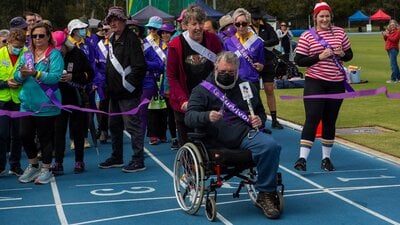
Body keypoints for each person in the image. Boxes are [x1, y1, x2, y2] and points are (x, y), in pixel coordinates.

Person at [185, 51, 281, 219]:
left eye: (231, 72)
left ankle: (266, 193)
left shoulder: (247, 87)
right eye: (223, 72)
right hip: (213, 139)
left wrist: (260, 120)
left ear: (237, 71)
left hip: (245, 135)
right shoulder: (201, 90)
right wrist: (206, 116)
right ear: (215, 68)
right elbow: (189, 117)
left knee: (271, 146)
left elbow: (260, 112)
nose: (227, 75)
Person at [293, 2, 353, 172]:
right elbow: (299, 60)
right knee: (312, 117)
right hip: (315, 82)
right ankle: (302, 158)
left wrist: (342, 54)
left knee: (330, 120)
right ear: (315, 18)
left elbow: (349, 55)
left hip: (336, 83)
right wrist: (319, 56)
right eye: (321, 16)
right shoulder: (307, 36)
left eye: (327, 16)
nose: (325, 19)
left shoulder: (340, 33)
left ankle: (326, 159)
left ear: (330, 17)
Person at [98, 6, 147, 172]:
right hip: (114, 93)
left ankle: (138, 159)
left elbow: (139, 67)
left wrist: (128, 87)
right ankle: (117, 156)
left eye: (116, 19)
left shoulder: (131, 39)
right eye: (110, 20)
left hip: (127, 93)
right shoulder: (112, 39)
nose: (113, 22)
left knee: (133, 126)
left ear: (123, 20)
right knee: (114, 126)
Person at [14, 22, 64, 184]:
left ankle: (47, 169)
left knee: (45, 138)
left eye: (41, 35)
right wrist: (21, 75)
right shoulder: (26, 54)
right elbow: (16, 76)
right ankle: (33, 165)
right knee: (24, 135)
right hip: (27, 103)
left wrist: (36, 72)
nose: (37, 39)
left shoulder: (54, 55)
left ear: (48, 37)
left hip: (46, 103)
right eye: (34, 36)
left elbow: (55, 77)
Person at [166, 4, 223, 147]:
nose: (198, 27)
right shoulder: (175, 45)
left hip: (209, 98)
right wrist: (183, 100)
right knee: (187, 142)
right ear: (185, 25)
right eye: (194, 24)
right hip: (185, 99)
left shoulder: (213, 40)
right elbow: (172, 76)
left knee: (213, 140)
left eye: (201, 23)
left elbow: (221, 65)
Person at [51, 30, 94, 175]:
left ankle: (79, 161)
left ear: (66, 44)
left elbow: (90, 74)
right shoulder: (51, 55)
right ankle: (58, 162)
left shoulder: (78, 54)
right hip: (57, 98)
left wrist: (73, 76)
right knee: (58, 130)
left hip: (76, 97)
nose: (59, 52)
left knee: (77, 130)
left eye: (60, 48)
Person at [249, 7, 282, 129]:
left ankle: (274, 119)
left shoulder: (267, 27)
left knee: (269, 89)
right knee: (254, 91)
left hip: (267, 61)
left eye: (258, 18)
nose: (257, 21)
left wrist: (262, 43)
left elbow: (274, 39)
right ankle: (257, 119)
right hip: (253, 62)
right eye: (254, 18)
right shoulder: (247, 28)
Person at [0, 29, 27, 177]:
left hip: (19, 99)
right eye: (15, 46)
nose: (17, 49)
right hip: (2, 100)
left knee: (18, 134)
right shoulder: (0, 54)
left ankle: (15, 165)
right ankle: (0, 165)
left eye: (20, 47)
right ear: (9, 42)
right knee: (1, 134)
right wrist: (5, 83)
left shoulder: (27, 54)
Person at [223, 8, 265, 88]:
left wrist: (260, 66)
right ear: (234, 24)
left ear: (249, 23)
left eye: (244, 24)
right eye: (238, 24)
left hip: (252, 82)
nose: (241, 27)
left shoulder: (258, 42)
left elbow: (262, 63)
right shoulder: (228, 43)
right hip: (234, 83)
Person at [142, 16, 165, 145]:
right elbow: (143, 62)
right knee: (150, 108)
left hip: (163, 79)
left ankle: (162, 134)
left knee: (163, 108)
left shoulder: (164, 43)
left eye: (155, 28)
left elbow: (164, 64)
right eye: (150, 28)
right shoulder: (145, 43)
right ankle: (152, 135)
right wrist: (153, 65)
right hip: (149, 79)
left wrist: (155, 64)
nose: (152, 30)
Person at [159, 23, 179, 150]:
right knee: (171, 114)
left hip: (176, 86)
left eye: (167, 32)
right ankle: (174, 139)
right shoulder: (164, 47)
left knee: (179, 114)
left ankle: (182, 137)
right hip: (167, 86)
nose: (164, 35)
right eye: (162, 33)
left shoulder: (175, 46)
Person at [95, 24, 112, 144]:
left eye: (107, 29)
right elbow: (94, 64)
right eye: (103, 30)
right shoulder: (99, 46)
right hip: (103, 81)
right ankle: (103, 130)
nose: (104, 32)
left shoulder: (120, 43)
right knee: (103, 107)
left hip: (118, 81)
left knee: (118, 106)